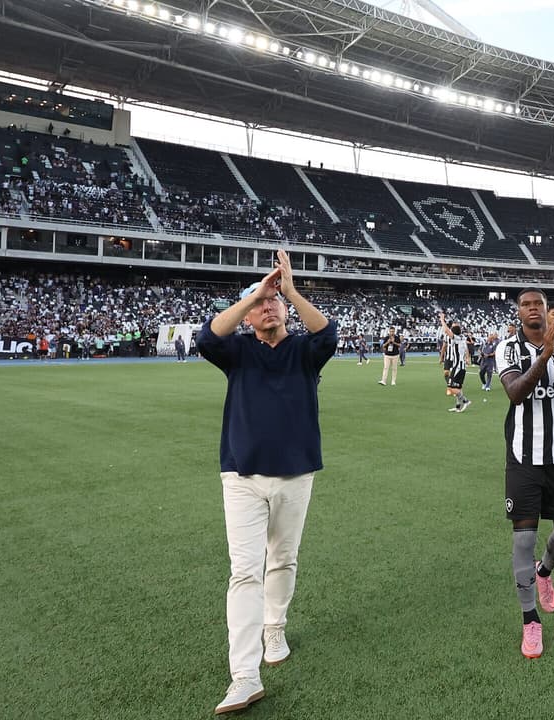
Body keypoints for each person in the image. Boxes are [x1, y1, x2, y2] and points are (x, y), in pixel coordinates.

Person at [196, 250, 337, 714]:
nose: (268, 306)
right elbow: (206, 336)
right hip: (241, 474)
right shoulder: (237, 350)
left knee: (283, 559)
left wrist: (290, 291)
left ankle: (274, 627)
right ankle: (244, 674)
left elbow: (327, 332)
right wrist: (255, 292)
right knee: (244, 571)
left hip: (295, 473)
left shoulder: (303, 350)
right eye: (261, 303)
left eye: (273, 301)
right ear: (249, 314)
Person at [495, 288, 554, 659]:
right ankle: (530, 620)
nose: (533, 309)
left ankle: (545, 572)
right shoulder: (508, 348)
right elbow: (515, 392)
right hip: (523, 457)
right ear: (519, 312)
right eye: (526, 305)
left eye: (539, 305)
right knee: (523, 539)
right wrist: (545, 354)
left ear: (549, 311)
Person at [439, 313, 471, 412]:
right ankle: (458, 406)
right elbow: (466, 349)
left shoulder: (456, 338)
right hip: (461, 366)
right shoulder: (462, 337)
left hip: (457, 366)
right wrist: (467, 358)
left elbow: (446, 330)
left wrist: (442, 319)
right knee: (458, 387)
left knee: (451, 387)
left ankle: (465, 401)